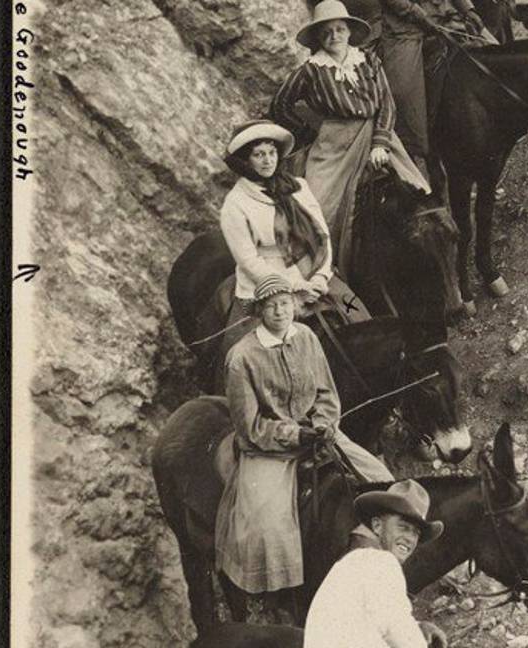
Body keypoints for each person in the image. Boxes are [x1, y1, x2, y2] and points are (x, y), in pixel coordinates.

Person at [215, 274, 395, 619]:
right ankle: (277, 600)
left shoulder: (307, 337)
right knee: (268, 523)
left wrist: (324, 424)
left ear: (294, 305)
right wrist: (294, 435)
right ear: (259, 311)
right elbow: (249, 426)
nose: (280, 311)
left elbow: (326, 393)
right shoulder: (242, 358)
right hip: (270, 448)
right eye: (271, 306)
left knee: (381, 478)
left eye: (285, 303)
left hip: (319, 433)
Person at [269, 0, 429, 279]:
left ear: (349, 31)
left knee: (418, 191)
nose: (334, 36)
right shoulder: (311, 69)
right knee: (319, 209)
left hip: (377, 134)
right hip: (333, 147)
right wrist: (311, 133)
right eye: (327, 32)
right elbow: (280, 106)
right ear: (318, 37)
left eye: (339, 29)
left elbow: (387, 104)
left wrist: (380, 143)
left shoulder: (368, 60)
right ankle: (327, 273)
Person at [216, 119, 369, 388]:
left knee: (359, 315)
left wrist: (321, 277)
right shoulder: (236, 204)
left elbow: (321, 235)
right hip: (265, 285)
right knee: (244, 359)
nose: (267, 160)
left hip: (314, 273)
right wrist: (295, 286)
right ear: (245, 160)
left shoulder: (298, 187)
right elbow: (248, 260)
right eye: (258, 154)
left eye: (271, 152)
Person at [304, 479, 448, 648]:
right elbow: (401, 635)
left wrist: (417, 627)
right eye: (403, 527)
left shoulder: (351, 563)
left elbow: (376, 621)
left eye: (415, 533)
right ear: (377, 526)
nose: (410, 538)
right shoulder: (382, 563)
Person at [377, 0, 488, 181]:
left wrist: (468, 9)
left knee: (490, 49)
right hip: (405, 28)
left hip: (444, 13)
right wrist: (423, 17)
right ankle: (418, 153)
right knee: (402, 93)